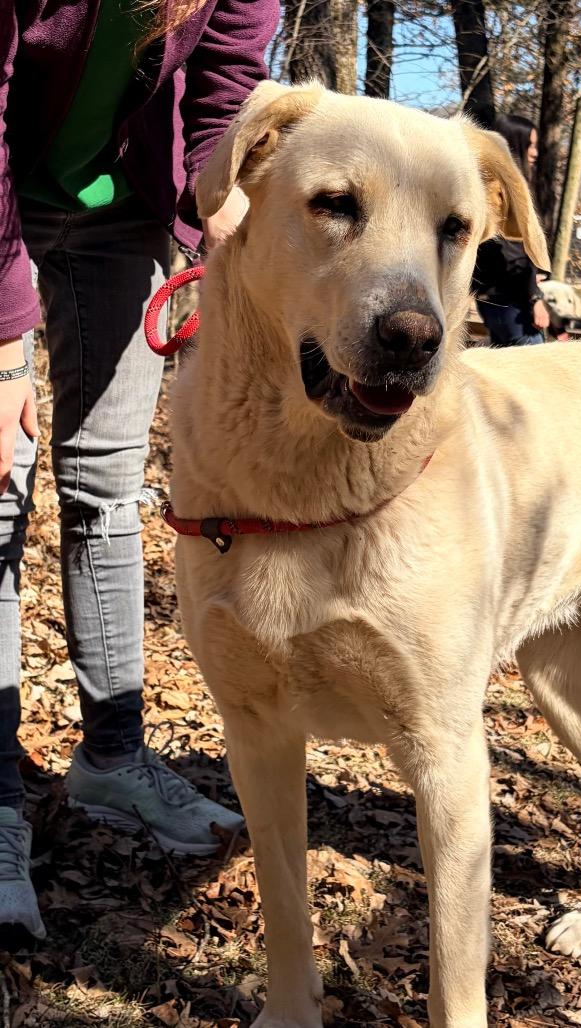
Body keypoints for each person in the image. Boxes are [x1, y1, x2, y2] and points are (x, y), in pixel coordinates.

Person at [0, 0, 279, 943]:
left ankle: (112, 758)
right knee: (0, 497)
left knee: (107, 493)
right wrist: (4, 351)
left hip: (118, 217)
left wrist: (226, 239)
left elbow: (223, 94)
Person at [472, 114, 551, 346]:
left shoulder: (483, 184)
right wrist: (534, 297)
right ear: (514, 144)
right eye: (530, 145)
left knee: (505, 366)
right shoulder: (505, 189)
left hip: (489, 299)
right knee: (535, 371)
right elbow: (513, 249)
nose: (535, 153)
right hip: (512, 303)